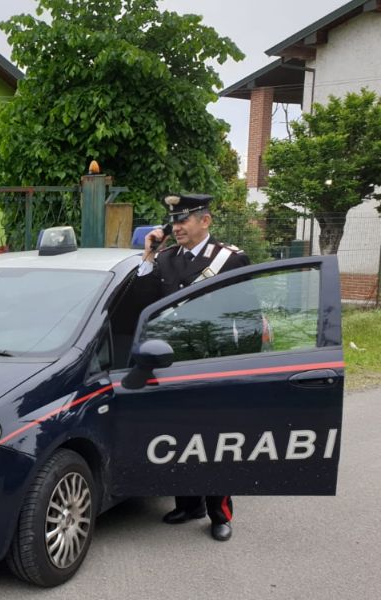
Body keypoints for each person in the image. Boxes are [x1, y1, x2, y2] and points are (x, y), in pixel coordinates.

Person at [136, 193, 250, 543]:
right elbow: (143, 301)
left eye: (184, 219)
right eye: (174, 220)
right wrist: (149, 255)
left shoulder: (231, 259)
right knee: (178, 437)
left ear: (206, 221)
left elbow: (246, 316)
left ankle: (219, 512)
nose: (177, 226)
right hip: (173, 362)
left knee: (213, 442)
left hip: (213, 363)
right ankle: (188, 504)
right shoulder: (167, 259)